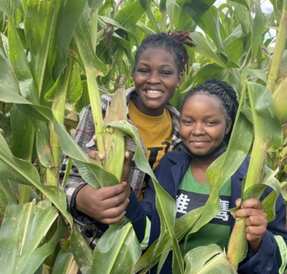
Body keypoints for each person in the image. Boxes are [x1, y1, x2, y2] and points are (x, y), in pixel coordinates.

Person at [125, 79, 287, 273]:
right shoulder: (168, 166)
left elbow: (283, 254)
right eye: (188, 122)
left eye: (210, 122)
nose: (197, 130)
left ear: (228, 126)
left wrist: (259, 240)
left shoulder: (254, 176)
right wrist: (123, 189)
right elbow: (148, 233)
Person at [60, 31, 195, 248]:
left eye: (165, 72)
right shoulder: (103, 110)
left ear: (179, 79)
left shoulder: (183, 130)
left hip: (148, 243)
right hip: (95, 240)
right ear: (133, 74)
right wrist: (82, 198)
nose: (153, 79)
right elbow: (64, 176)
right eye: (144, 70)